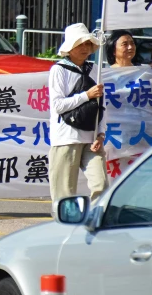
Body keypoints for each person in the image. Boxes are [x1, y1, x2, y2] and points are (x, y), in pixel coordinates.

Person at [48, 23, 108, 208]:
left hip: (92, 138)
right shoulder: (58, 70)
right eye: (80, 44)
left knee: (102, 185)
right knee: (64, 192)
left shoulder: (94, 68)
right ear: (69, 48)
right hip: (66, 137)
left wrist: (101, 133)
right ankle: (64, 228)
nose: (85, 48)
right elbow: (58, 105)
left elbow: (101, 106)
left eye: (88, 44)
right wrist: (86, 95)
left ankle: (96, 222)